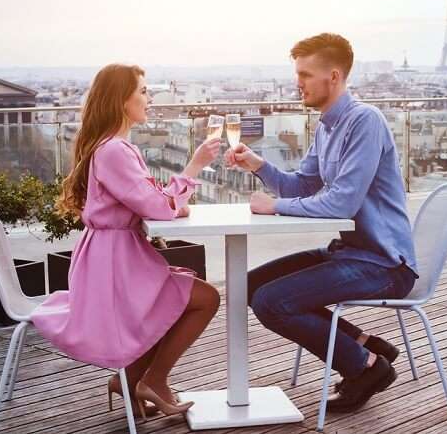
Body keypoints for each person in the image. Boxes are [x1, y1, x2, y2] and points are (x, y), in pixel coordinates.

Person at [224, 33, 418, 413]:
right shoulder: (327, 126)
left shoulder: (365, 121)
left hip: (384, 263)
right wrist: (259, 165)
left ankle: (366, 367)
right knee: (249, 285)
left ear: (333, 76)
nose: (298, 83)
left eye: (305, 74)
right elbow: (305, 184)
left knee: (273, 301)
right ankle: (361, 344)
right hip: (351, 253)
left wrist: (275, 206)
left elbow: (341, 202)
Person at [31, 64, 221, 420]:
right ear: (122, 100)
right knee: (204, 298)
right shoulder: (115, 151)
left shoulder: (111, 147)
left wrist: (169, 203)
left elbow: (148, 201)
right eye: (144, 91)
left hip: (113, 258)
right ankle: (153, 380)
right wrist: (194, 167)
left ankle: (131, 379)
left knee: (186, 298)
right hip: (115, 265)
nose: (149, 98)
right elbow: (156, 207)